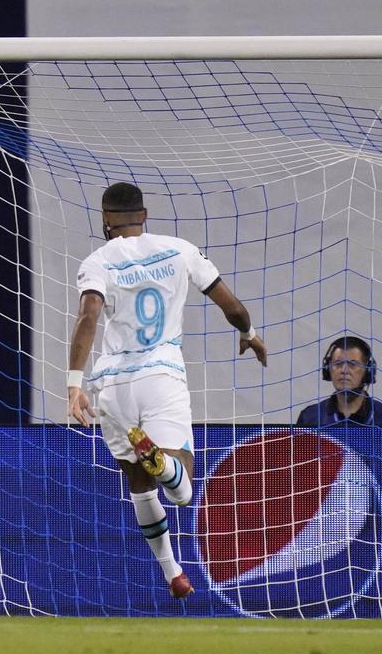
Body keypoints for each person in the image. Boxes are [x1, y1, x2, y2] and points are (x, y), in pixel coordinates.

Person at [66, 182, 268, 599]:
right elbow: (231, 306)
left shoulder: (98, 261)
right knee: (183, 489)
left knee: (138, 483)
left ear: (106, 220)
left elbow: (88, 316)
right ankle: (169, 469)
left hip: (113, 386)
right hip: (161, 374)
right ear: (144, 215)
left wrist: (73, 383)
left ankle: (172, 571)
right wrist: (248, 332)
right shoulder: (180, 249)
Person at [296, 335, 382, 426]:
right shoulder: (310, 418)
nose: (344, 370)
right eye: (338, 363)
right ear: (328, 369)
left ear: (368, 371)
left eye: (353, 364)